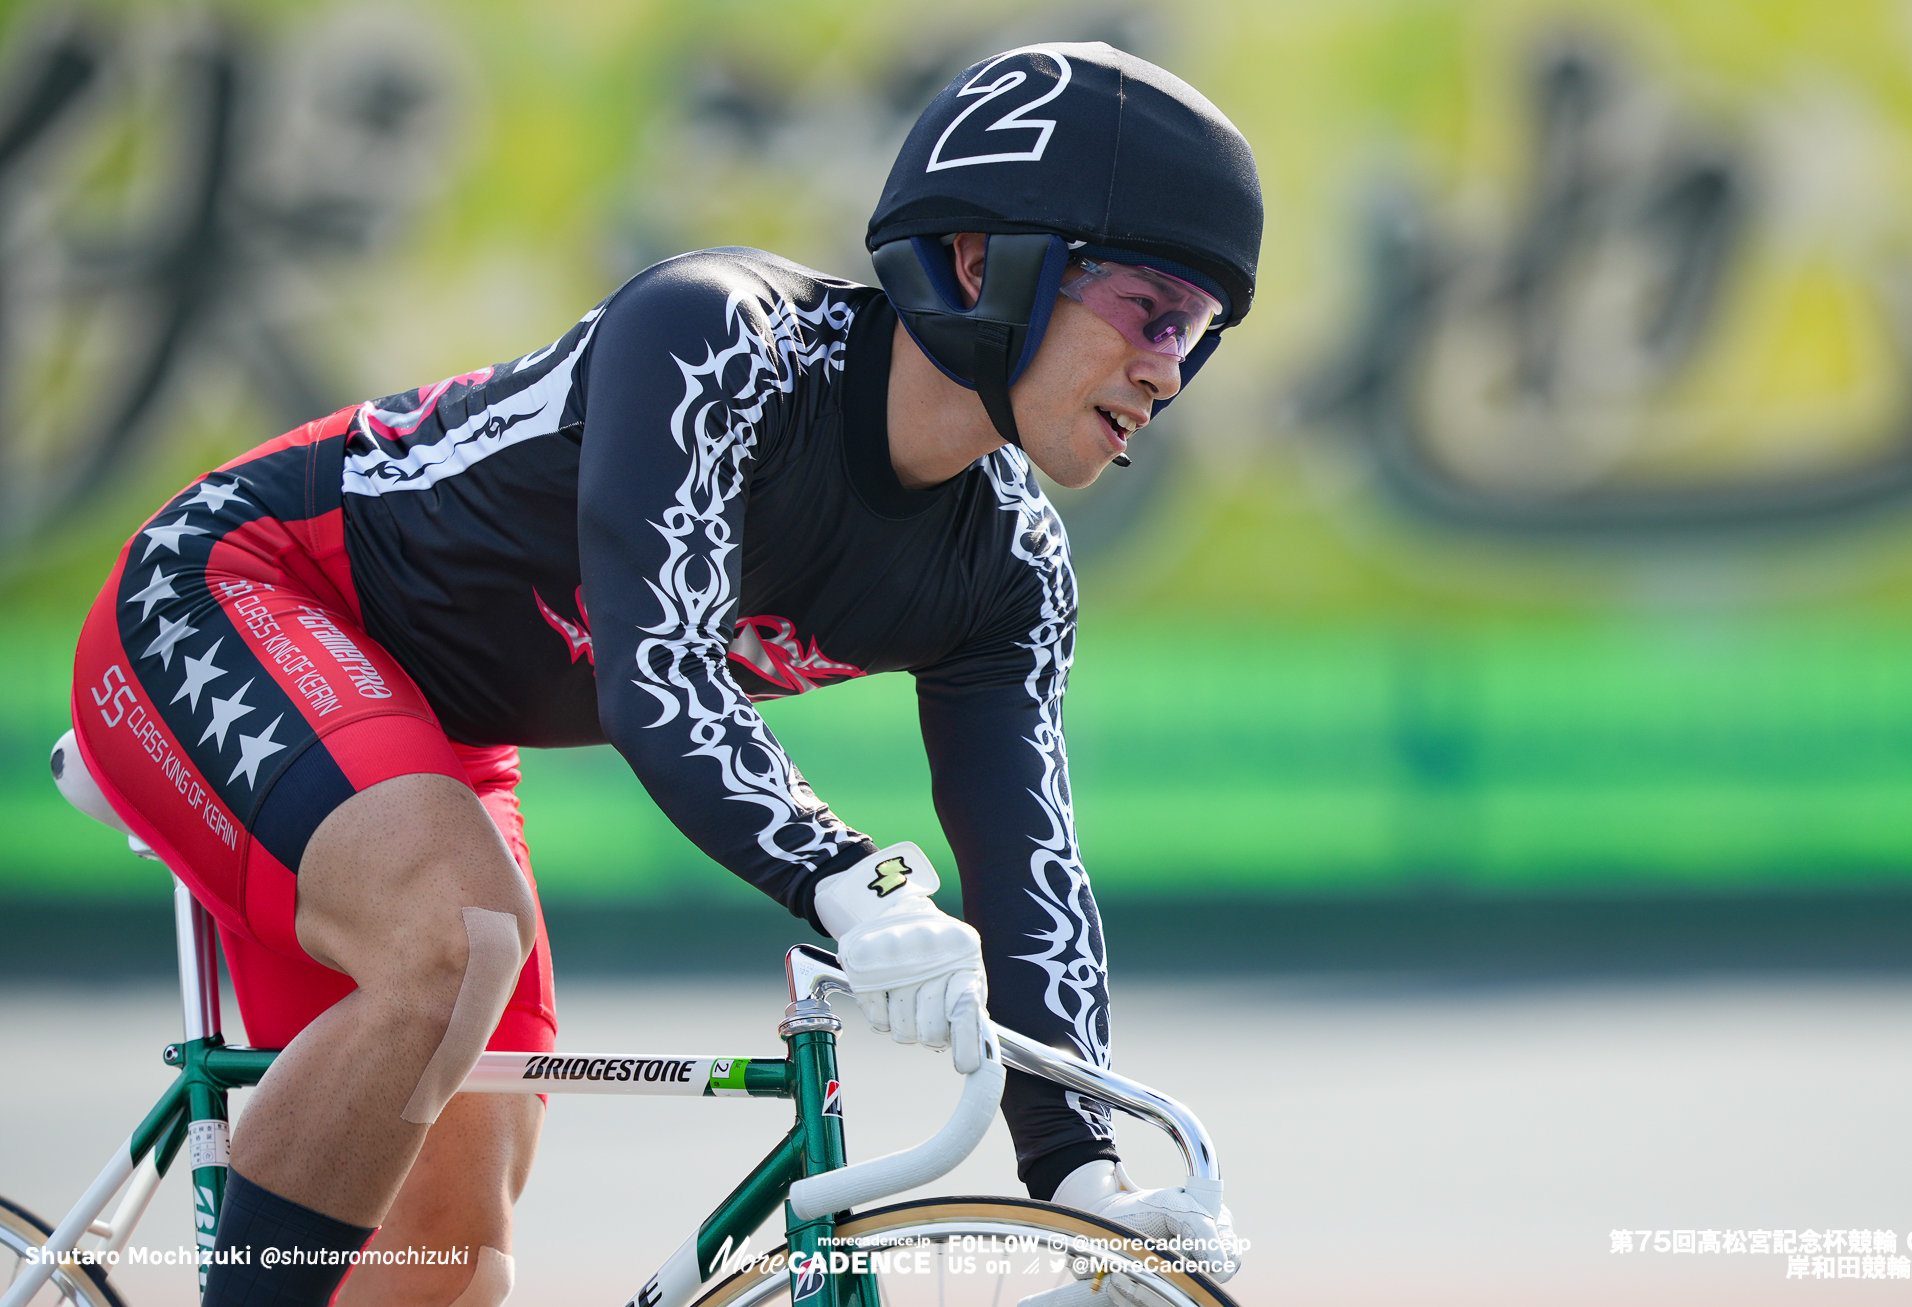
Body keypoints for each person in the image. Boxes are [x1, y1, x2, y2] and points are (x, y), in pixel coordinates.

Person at [66, 40, 1260, 1306]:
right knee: (460, 935)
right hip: (238, 589)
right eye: (1149, 310)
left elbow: (1029, 871)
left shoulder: (1008, 565)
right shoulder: (717, 338)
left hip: (430, 731)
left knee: (450, 1259)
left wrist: (1078, 1174)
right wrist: (854, 878)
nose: (1168, 369)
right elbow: (662, 678)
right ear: (982, 261)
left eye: (1198, 332)